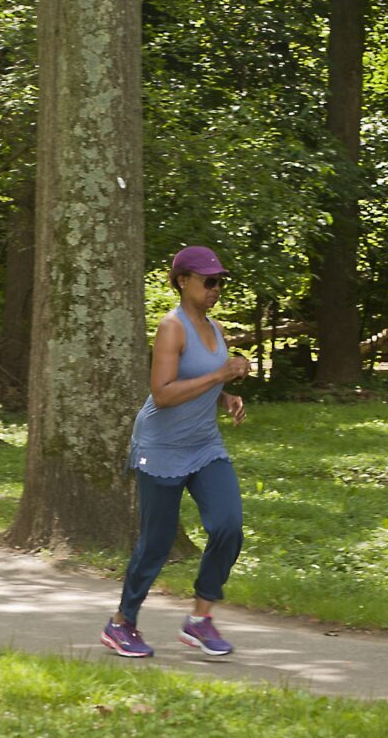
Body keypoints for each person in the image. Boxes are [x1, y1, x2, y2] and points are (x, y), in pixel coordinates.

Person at [101, 245, 251, 658]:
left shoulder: (214, 327)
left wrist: (226, 395)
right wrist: (220, 373)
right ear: (183, 281)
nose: (215, 288)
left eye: (219, 281)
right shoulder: (172, 327)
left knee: (228, 526)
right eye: (208, 281)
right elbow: (163, 394)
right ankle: (121, 624)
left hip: (204, 445)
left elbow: (202, 379)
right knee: (156, 542)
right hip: (161, 447)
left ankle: (200, 619)